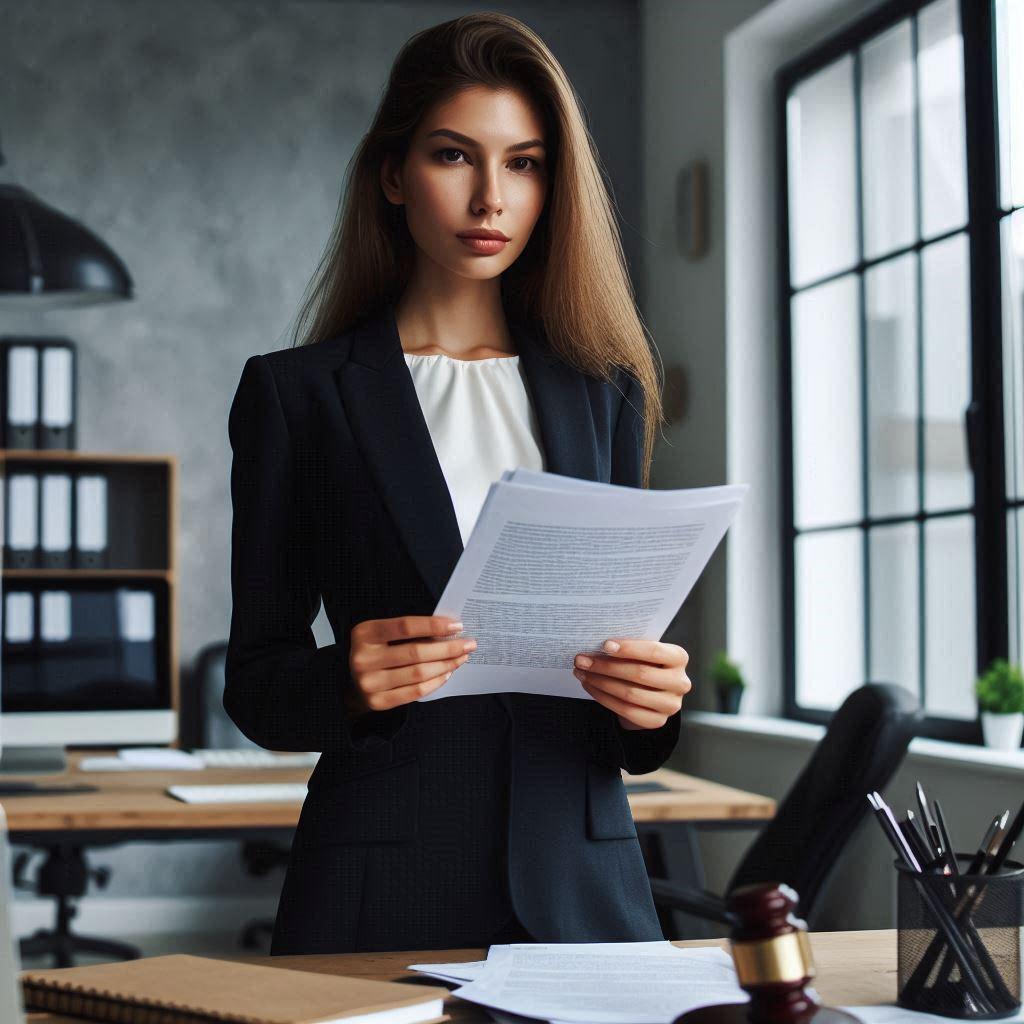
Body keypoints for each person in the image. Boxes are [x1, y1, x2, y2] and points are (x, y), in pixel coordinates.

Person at [224, 11, 691, 956]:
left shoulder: (605, 392)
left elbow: (612, 675)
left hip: (585, 890)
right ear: (394, 175)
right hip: (380, 883)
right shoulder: (298, 395)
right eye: (454, 157)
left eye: (523, 163)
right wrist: (346, 681)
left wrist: (650, 707)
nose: (491, 198)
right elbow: (259, 683)